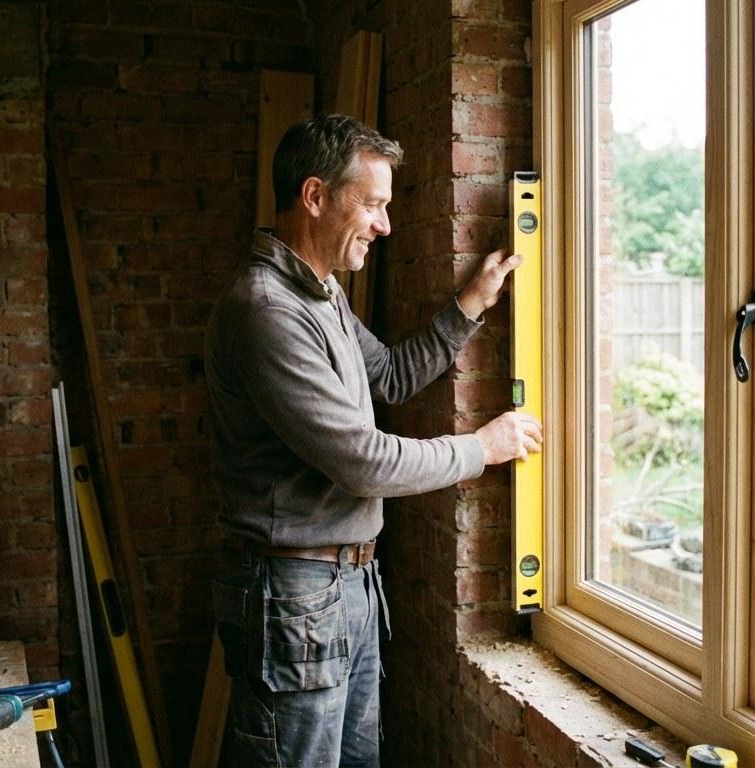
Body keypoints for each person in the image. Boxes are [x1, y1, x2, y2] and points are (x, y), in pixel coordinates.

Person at [204, 114, 542, 767]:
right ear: (315, 196)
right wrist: (482, 448)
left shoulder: (322, 295)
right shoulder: (268, 309)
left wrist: (469, 304)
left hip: (346, 584)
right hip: (294, 592)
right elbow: (362, 461)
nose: (385, 226)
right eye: (374, 204)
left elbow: (386, 375)